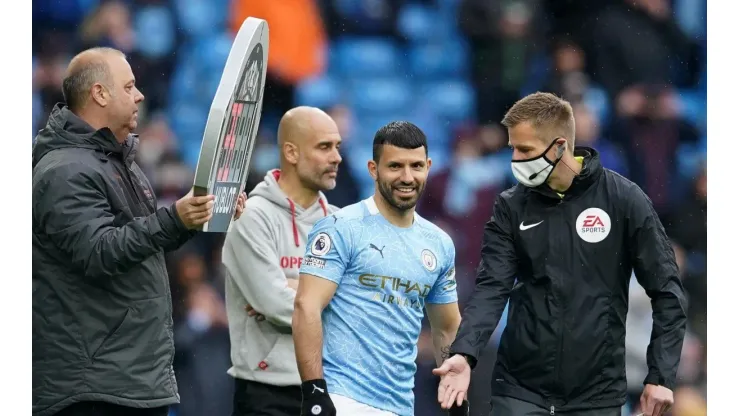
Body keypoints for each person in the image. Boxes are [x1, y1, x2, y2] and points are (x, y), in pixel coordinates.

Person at [433, 92, 688, 416]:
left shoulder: (624, 200)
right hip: (519, 393)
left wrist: (661, 376)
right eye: (513, 147)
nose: (515, 159)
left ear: (557, 147)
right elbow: (491, 288)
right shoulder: (510, 206)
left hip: (596, 396)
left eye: (524, 149)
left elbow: (667, 291)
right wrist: (465, 353)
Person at [32, 47, 246, 416]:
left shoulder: (117, 162)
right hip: (93, 388)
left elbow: (143, 244)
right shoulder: (65, 170)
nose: (140, 95)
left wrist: (196, 215)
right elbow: (100, 252)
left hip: (129, 379)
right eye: (129, 86)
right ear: (99, 93)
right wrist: (175, 219)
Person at [292, 121, 468, 416]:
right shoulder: (340, 228)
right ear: (373, 169)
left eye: (416, 166)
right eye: (395, 166)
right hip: (341, 399)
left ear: (428, 166)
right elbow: (305, 306)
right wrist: (314, 390)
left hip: (400, 405)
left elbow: (446, 326)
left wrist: (456, 394)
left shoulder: (439, 244)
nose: (407, 177)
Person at [221, 106, 342, 416]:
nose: (337, 157)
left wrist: (298, 288)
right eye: (324, 147)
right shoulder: (252, 218)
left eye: (337, 147)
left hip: (334, 386)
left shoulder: (343, 224)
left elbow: (368, 305)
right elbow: (278, 306)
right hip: (267, 393)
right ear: (291, 152)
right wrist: (331, 295)